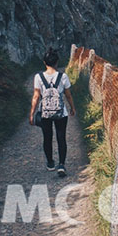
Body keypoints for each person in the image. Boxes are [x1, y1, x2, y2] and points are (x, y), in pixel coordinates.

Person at [29, 48, 76, 177]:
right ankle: (61, 165)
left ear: (44, 62)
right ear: (57, 62)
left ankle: (50, 163)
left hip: (44, 113)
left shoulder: (38, 77)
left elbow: (36, 96)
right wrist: (72, 108)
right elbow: (68, 95)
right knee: (61, 137)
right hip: (61, 113)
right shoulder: (63, 76)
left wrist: (32, 113)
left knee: (47, 138)